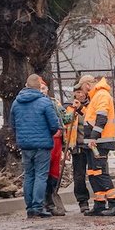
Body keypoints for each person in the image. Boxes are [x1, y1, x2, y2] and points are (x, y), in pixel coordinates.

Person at [10, 74, 61, 218]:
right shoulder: (45, 102)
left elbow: (12, 124)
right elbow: (54, 125)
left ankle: (29, 208)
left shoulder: (16, 103)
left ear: (26, 85)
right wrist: (48, 134)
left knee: (29, 175)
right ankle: (38, 206)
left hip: (25, 145)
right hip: (42, 144)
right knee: (40, 175)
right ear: (39, 86)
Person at [80, 75, 115, 216]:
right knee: (93, 173)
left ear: (87, 85)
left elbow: (101, 118)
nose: (83, 92)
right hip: (96, 142)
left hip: (100, 142)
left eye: (82, 88)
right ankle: (99, 203)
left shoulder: (101, 95)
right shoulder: (97, 96)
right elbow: (92, 117)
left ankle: (114, 203)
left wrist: (93, 137)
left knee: (100, 172)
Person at [41, 81, 70, 216]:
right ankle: (45, 202)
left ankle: (51, 196)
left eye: (44, 88)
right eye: (40, 88)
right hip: (45, 140)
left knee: (54, 171)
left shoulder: (54, 103)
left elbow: (65, 118)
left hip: (57, 141)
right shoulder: (36, 104)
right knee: (43, 171)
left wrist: (74, 111)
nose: (42, 91)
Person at [66, 86, 92, 213]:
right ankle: (83, 201)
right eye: (77, 92)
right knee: (79, 176)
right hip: (78, 145)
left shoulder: (91, 105)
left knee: (95, 174)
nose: (80, 95)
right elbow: (67, 127)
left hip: (92, 145)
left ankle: (101, 199)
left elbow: (92, 118)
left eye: (81, 92)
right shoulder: (70, 108)